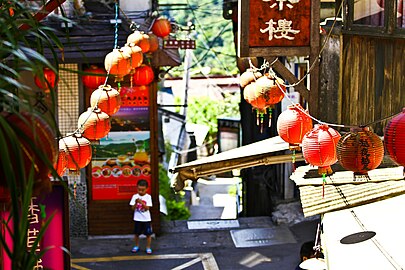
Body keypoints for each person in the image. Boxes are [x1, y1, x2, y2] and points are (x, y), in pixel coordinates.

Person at [129, 179, 153, 254]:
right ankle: (136, 246)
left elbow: (147, 208)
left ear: (146, 189)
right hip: (137, 218)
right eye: (139, 190)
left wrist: (141, 202)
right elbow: (132, 208)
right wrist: (136, 203)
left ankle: (148, 247)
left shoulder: (148, 197)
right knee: (136, 234)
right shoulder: (135, 196)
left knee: (148, 234)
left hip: (146, 219)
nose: (140, 192)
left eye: (142, 190)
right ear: (137, 188)